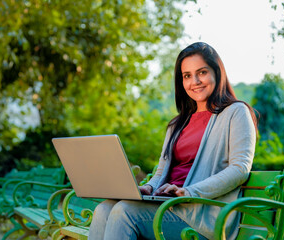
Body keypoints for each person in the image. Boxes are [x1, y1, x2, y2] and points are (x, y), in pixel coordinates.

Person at [88, 42, 257, 240]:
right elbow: (161, 172)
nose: (195, 81)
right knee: (104, 209)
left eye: (202, 72)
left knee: (124, 211)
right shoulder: (177, 124)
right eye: (187, 76)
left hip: (202, 217)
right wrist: (149, 187)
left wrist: (190, 191)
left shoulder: (236, 112)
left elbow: (240, 168)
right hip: (166, 205)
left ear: (217, 73)